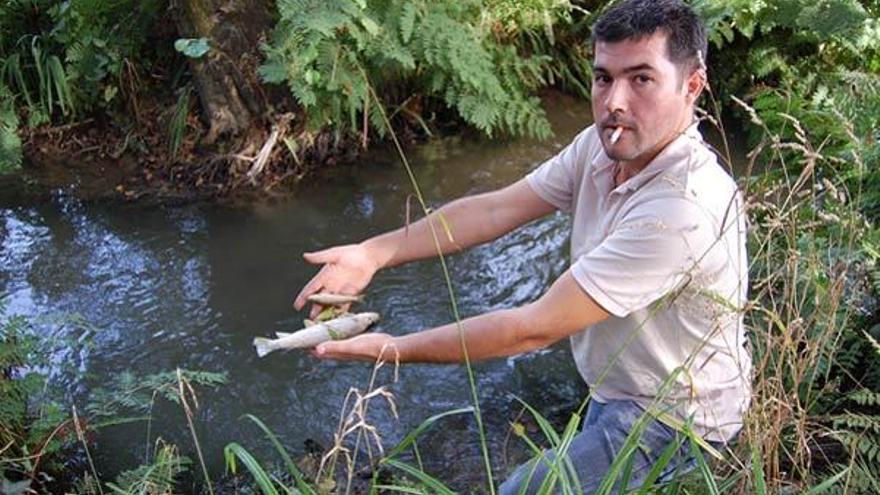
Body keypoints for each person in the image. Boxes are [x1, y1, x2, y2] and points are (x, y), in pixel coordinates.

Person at [293, 0, 751, 492]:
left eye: (641, 79)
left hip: (678, 420)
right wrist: (372, 252)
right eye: (603, 78)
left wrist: (393, 350)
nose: (615, 101)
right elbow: (495, 209)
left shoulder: (681, 210)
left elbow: (530, 330)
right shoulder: (601, 146)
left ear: (692, 86)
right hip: (621, 383)